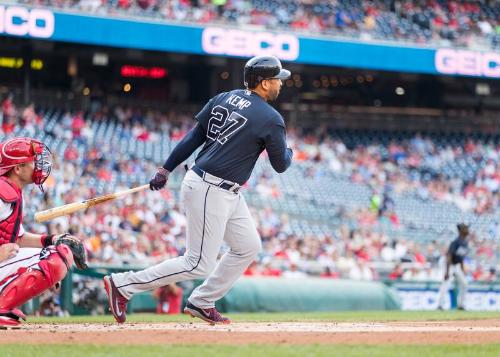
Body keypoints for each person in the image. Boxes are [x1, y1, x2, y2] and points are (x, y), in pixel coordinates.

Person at [104, 55, 293, 324]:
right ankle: (123, 284)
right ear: (263, 83)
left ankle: (202, 301)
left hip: (223, 189)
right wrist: (290, 151)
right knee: (197, 262)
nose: (280, 84)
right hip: (209, 188)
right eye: (277, 79)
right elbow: (281, 165)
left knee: (248, 246)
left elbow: (194, 136)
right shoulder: (270, 118)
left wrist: (166, 169)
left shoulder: (225, 97)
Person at [0, 137, 87, 327]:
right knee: (58, 257)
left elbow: (19, 238)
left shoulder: (11, 189)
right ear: (17, 168)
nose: (38, 166)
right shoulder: (2, 191)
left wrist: (54, 239)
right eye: (33, 161)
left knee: (57, 251)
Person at [436, 223, 470, 311]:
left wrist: (463, 270)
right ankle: (439, 305)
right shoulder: (455, 242)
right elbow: (449, 256)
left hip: (457, 266)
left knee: (464, 284)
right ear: (460, 231)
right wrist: (447, 272)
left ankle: (461, 305)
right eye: (465, 228)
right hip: (449, 265)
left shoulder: (465, 242)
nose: (467, 230)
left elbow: (461, 257)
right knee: (446, 284)